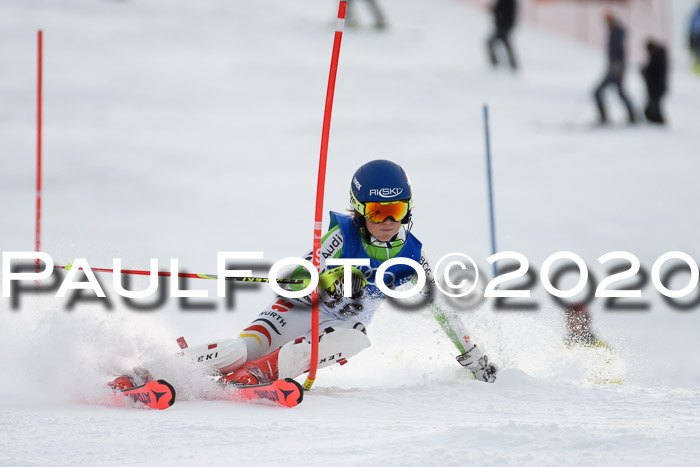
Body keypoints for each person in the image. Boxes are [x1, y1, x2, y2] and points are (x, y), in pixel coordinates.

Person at [109, 160, 498, 390]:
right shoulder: (341, 233)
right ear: (358, 209)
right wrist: (327, 277)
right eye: (377, 212)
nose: (387, 221)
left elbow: (442, 310)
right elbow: (302, 273)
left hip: (335, 331)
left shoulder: (412, 255)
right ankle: (152, 371)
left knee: (357, 340)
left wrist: (473, 355)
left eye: (396, 210)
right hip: (294, 310)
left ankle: (257, 377)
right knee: (237, 350)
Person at [593, 9, 636, 125]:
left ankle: (631, 117)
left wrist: (617, 65)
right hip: (614, 67)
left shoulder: (617, 32)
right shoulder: (614, 31)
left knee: (598, 92)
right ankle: (632, 116)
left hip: (617, 68)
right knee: (619, 92)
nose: (607, 23)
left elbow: (620, 52)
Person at [641, 39, 668, 124]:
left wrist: (645, 72)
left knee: (654, 107)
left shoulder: (656, 57)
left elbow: (652, 71)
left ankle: (658, 122)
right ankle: (657, 121)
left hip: (656, 87)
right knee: (654, 106)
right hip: (657, 86)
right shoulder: (659, 56)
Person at [486, 0, 518, 70]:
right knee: (505, 43)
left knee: (490, 42)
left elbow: (506, 12)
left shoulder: (509, 1)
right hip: (502, 26)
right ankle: (513, 64)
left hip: (504, 26)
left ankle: (495, 63)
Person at [690, 3, 700, 74]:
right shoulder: (696, 15)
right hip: (696, 37)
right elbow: (692, 28)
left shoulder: (695, 15)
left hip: (695, 37)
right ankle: (696, 70)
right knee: (697, 54)